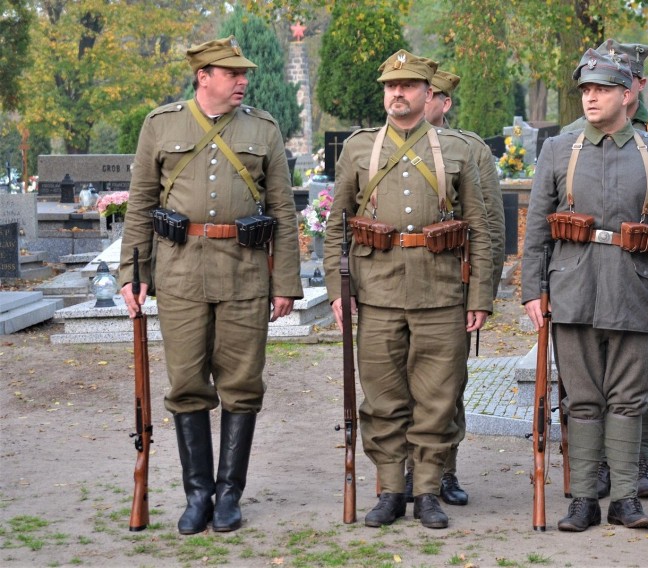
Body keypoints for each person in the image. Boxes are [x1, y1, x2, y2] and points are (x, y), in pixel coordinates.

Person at [118, 36, 304, 535]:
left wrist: (284, 280)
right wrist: (133, 275)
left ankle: (229, 495)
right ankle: (197, 494)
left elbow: (282, 210)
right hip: (180, 272)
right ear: (203, 76)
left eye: (244, 74)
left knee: (242, 386)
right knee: (186, 384)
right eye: (231, 73)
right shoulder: (161, 124)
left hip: (245, 272)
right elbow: (140, 205)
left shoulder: (262, 129)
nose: (242, 81)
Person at [322, 50, 493, 529]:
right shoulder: (358, 149)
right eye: (390, 86)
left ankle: (428, 490)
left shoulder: (455, 150)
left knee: (438, 397)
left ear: (427, 93)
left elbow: (477, 225)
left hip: (440, 295)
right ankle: (391, 491)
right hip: (376, 294)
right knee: (382, 399)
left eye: (408, 86)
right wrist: (340, 292)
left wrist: (478, 296)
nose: (397, 94)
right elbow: (337, 226)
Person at [522, 48, 648, 532]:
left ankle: (624, 499)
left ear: (626, 93)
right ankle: (582, 501)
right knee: (582, 399)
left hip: (635, 288)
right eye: (586, 91)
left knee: (628, 397)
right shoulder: (558, 150)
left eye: (600, 90)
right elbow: (536, 230)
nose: (591, 98)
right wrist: (533, 291)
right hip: (573, 288)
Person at [562, 39, 648, 499]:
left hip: (646, 276)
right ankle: (597, 470)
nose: (598, 92)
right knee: (587, 382)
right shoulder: (574, 137)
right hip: (587, 279)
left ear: (636, 85)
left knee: (645, 377)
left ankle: (635, 465)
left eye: (629, 78)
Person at [399, 69, 506, 507]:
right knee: (399, 382)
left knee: (446, 387)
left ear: (443, 103)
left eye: (434, 96)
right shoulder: (388, 145)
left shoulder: (471, 151)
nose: (423, 101)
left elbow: (491, 228)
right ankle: (406, 472)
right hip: (398, 287)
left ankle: (445, 470)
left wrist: (481, 292)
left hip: (451, 288)